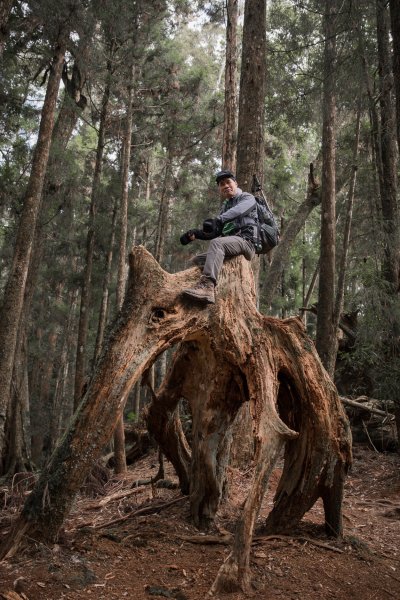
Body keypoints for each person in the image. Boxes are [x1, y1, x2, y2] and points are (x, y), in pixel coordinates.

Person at [180, 169, 258, 304]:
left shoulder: (247, 198)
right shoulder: (225, 207)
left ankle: (207, 287)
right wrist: (196, 234)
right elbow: (215, 232)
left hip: (247, 242)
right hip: (231, 246)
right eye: (222, 184)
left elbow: (239, 211)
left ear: (236, 183)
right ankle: (196, 289)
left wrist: (219, 219)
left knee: (217, 243)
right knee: (197, 260)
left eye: (228, 182)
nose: (226, 185)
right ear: (220, 189)